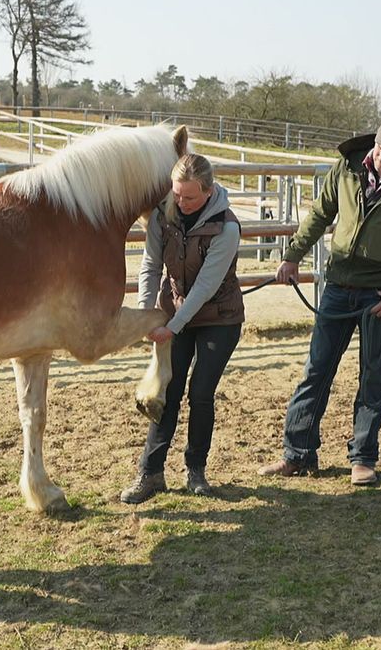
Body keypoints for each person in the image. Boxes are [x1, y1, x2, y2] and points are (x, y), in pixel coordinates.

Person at [258, 112, 381, 486]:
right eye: (378, 147)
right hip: (339, 285)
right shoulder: (346, 166)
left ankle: (363, 457)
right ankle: (297, 454)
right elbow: (321, 213)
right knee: (316, 370)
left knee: (375, 376)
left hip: (380, 293)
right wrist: (293, 255)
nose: (379, 156)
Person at [120, 152, 244, 503]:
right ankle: (150, 473)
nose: (182, 202)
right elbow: (150, 265)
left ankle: (196, 470)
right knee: (167, 393)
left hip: (219, 318)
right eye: (177, 194)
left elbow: (205, 287)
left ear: (208, 191)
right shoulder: (164, 214)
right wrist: (146, 312)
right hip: (175, 314)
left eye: (189, 197)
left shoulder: (227, 227)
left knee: (200, 392)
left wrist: (172, 326)